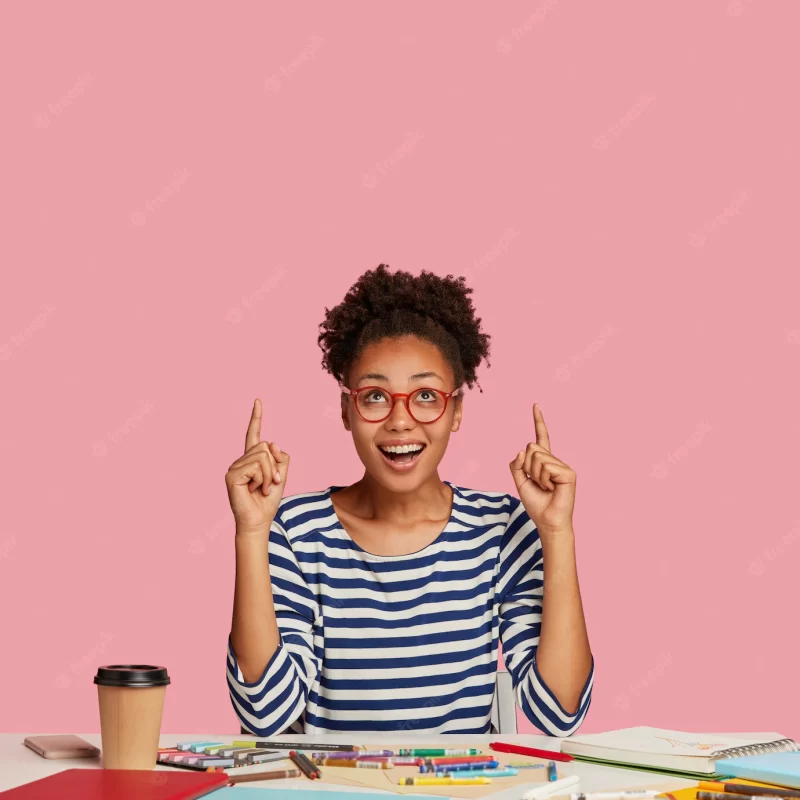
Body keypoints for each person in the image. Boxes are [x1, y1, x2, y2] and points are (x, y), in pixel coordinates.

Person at [225, 264, 594, 736]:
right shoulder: (294, 531)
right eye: (376, 396)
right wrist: (252, 533)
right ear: (346, 411)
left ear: (456, 410)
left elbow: (558, 713)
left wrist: (558, 533)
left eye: (425, 395)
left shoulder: (502, 528)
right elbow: (265, 715)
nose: (400, 421)